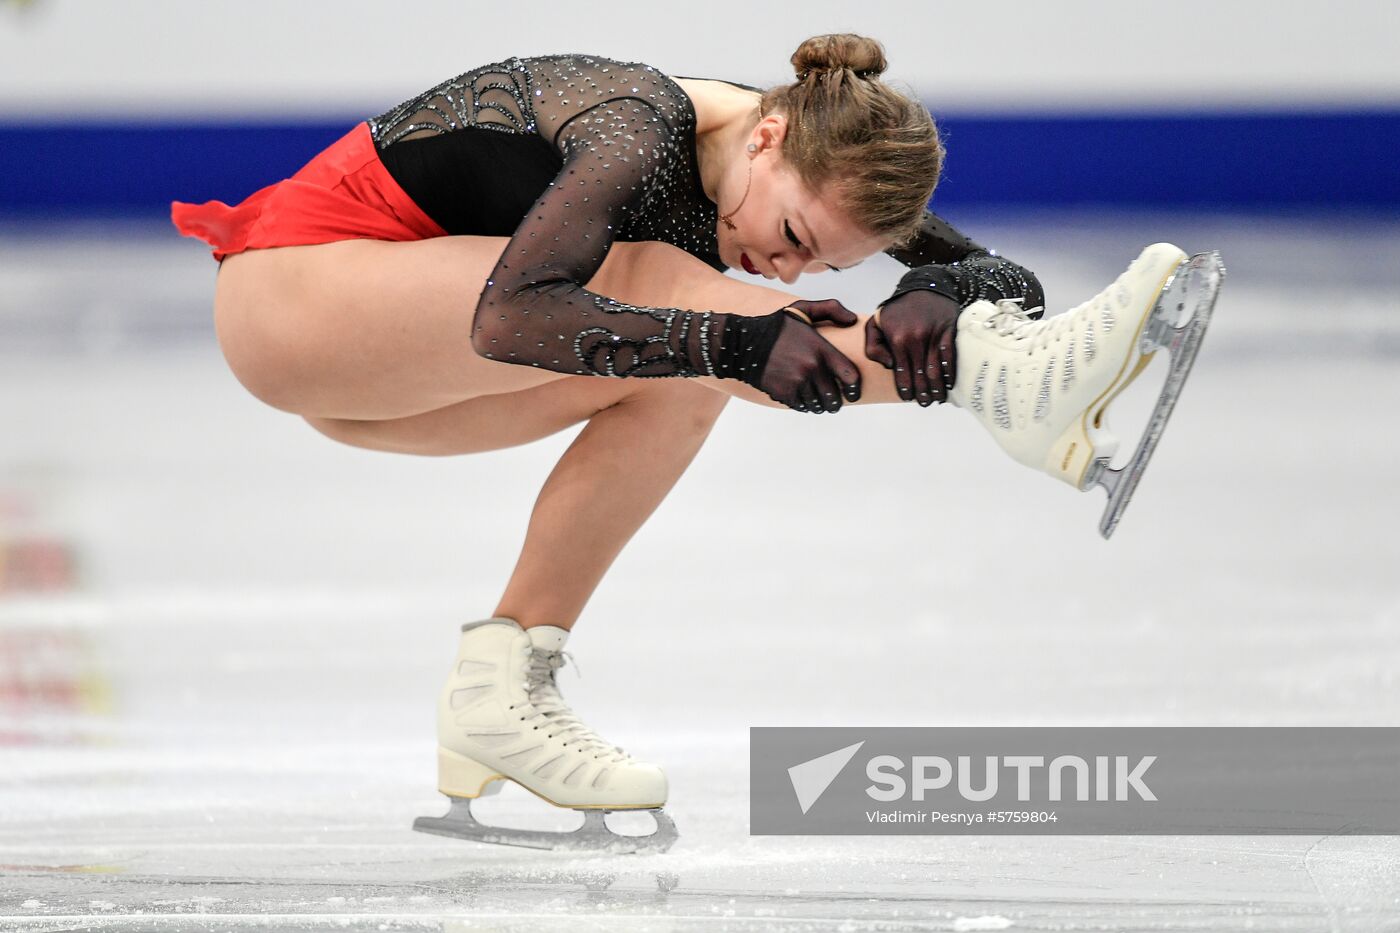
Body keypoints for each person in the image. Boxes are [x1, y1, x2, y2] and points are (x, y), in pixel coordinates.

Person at [172, 35, 1211, 853]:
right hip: (291, 299)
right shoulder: (633, 124)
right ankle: (1011, 390)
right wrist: (735, 335)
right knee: (665, 301)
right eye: (797, 241)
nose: (794, 270)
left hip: (387, 370)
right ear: (764, 138)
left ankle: (499, 685)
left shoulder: (796, 163)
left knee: (686, 370)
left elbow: (1006, 277)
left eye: (822, 266)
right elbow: (510, 319)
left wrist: (938, 291)